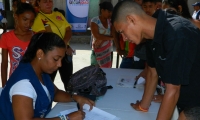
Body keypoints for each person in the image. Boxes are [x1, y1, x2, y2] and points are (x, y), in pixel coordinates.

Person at [111, 1, 200, 120]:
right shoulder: (152, 31)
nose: (124, 38)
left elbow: (173, 90)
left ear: (131, 19)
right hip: (184, 97)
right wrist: (143, 106)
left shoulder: (177, 33)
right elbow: (152, 72)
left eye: (122, 32)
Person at [0, 32, 94, 120]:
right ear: (40, 54)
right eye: (56, 59)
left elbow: (55, 93)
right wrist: (66, 118)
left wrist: (76, 98)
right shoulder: (23, 85)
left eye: (61, 59)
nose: (60, 64)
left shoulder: (40, 71)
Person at [32, 0, 73, 91]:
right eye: (45, 2)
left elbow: (68, 30)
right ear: (39, 3)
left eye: (50, 1)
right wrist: (62, 46)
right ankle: (47, 104)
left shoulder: (58, 14)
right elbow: (45, 36)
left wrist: (65, 44)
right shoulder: (38, 17)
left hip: (65, 52)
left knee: (69, 81)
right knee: (48, 82)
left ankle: (71, 102)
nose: (48, 4)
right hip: (50, 55)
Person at [0, 2, 36, 87]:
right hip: (14, 81)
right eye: (25, 19)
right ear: (16, 17)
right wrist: (4, 86)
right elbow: (4, 64)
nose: (28, 24)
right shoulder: (6, 37)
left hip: (34, 81)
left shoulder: (35, 37)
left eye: (31, 21)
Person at [90, 1, 115, 68]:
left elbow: (114, 34)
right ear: (102, 10)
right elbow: (97, 36)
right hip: (97, 51)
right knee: (95, 72)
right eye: (109, 12)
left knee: (108, 72)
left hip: (108, 51)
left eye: (111, 12)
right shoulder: (94, 21)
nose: (110, 14)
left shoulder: (111, 21)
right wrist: (110, 38)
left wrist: (102, 39)